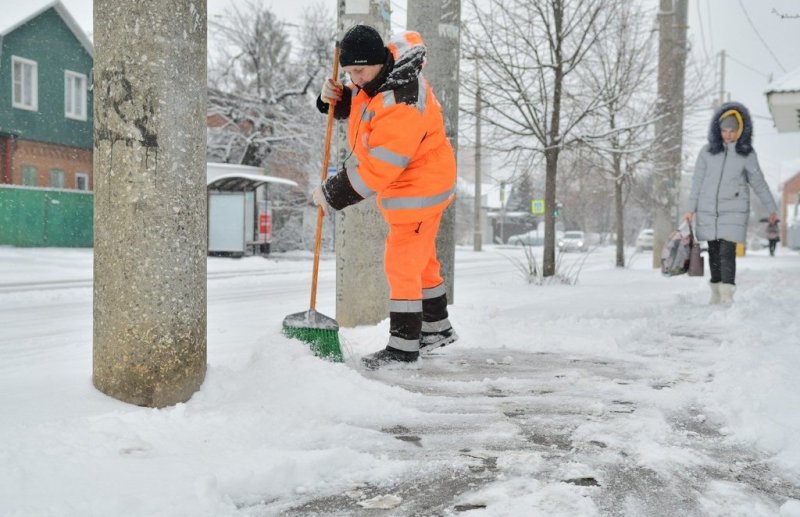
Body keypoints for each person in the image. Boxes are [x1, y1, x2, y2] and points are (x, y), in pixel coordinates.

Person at [313, 25, 458, 369]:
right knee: (422, 261)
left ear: (379, 62)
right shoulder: (382, 76)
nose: (355, 79)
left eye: (358, 72)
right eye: (348, 72)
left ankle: (403, 347)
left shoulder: (403, 102)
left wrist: (330, 194)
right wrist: (335, 99)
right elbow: (365, 106)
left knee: (402, 263)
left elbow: (379, 168)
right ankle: (436, 329)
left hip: (420, 188)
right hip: (420, 181)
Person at [683, 101, 778, 305]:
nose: (728, 134)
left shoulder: (746, 154)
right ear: (718, 130)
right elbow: (697, 182)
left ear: (740, 130)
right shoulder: (707, 152)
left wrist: (772, 208)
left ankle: (727, 294)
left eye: (732, 130)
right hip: (708, 210)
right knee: (714, 252)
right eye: (725, 130)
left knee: (727, 252)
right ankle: (716, 290)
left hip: (734, 210)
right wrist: (690, 209)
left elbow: (758, 182)